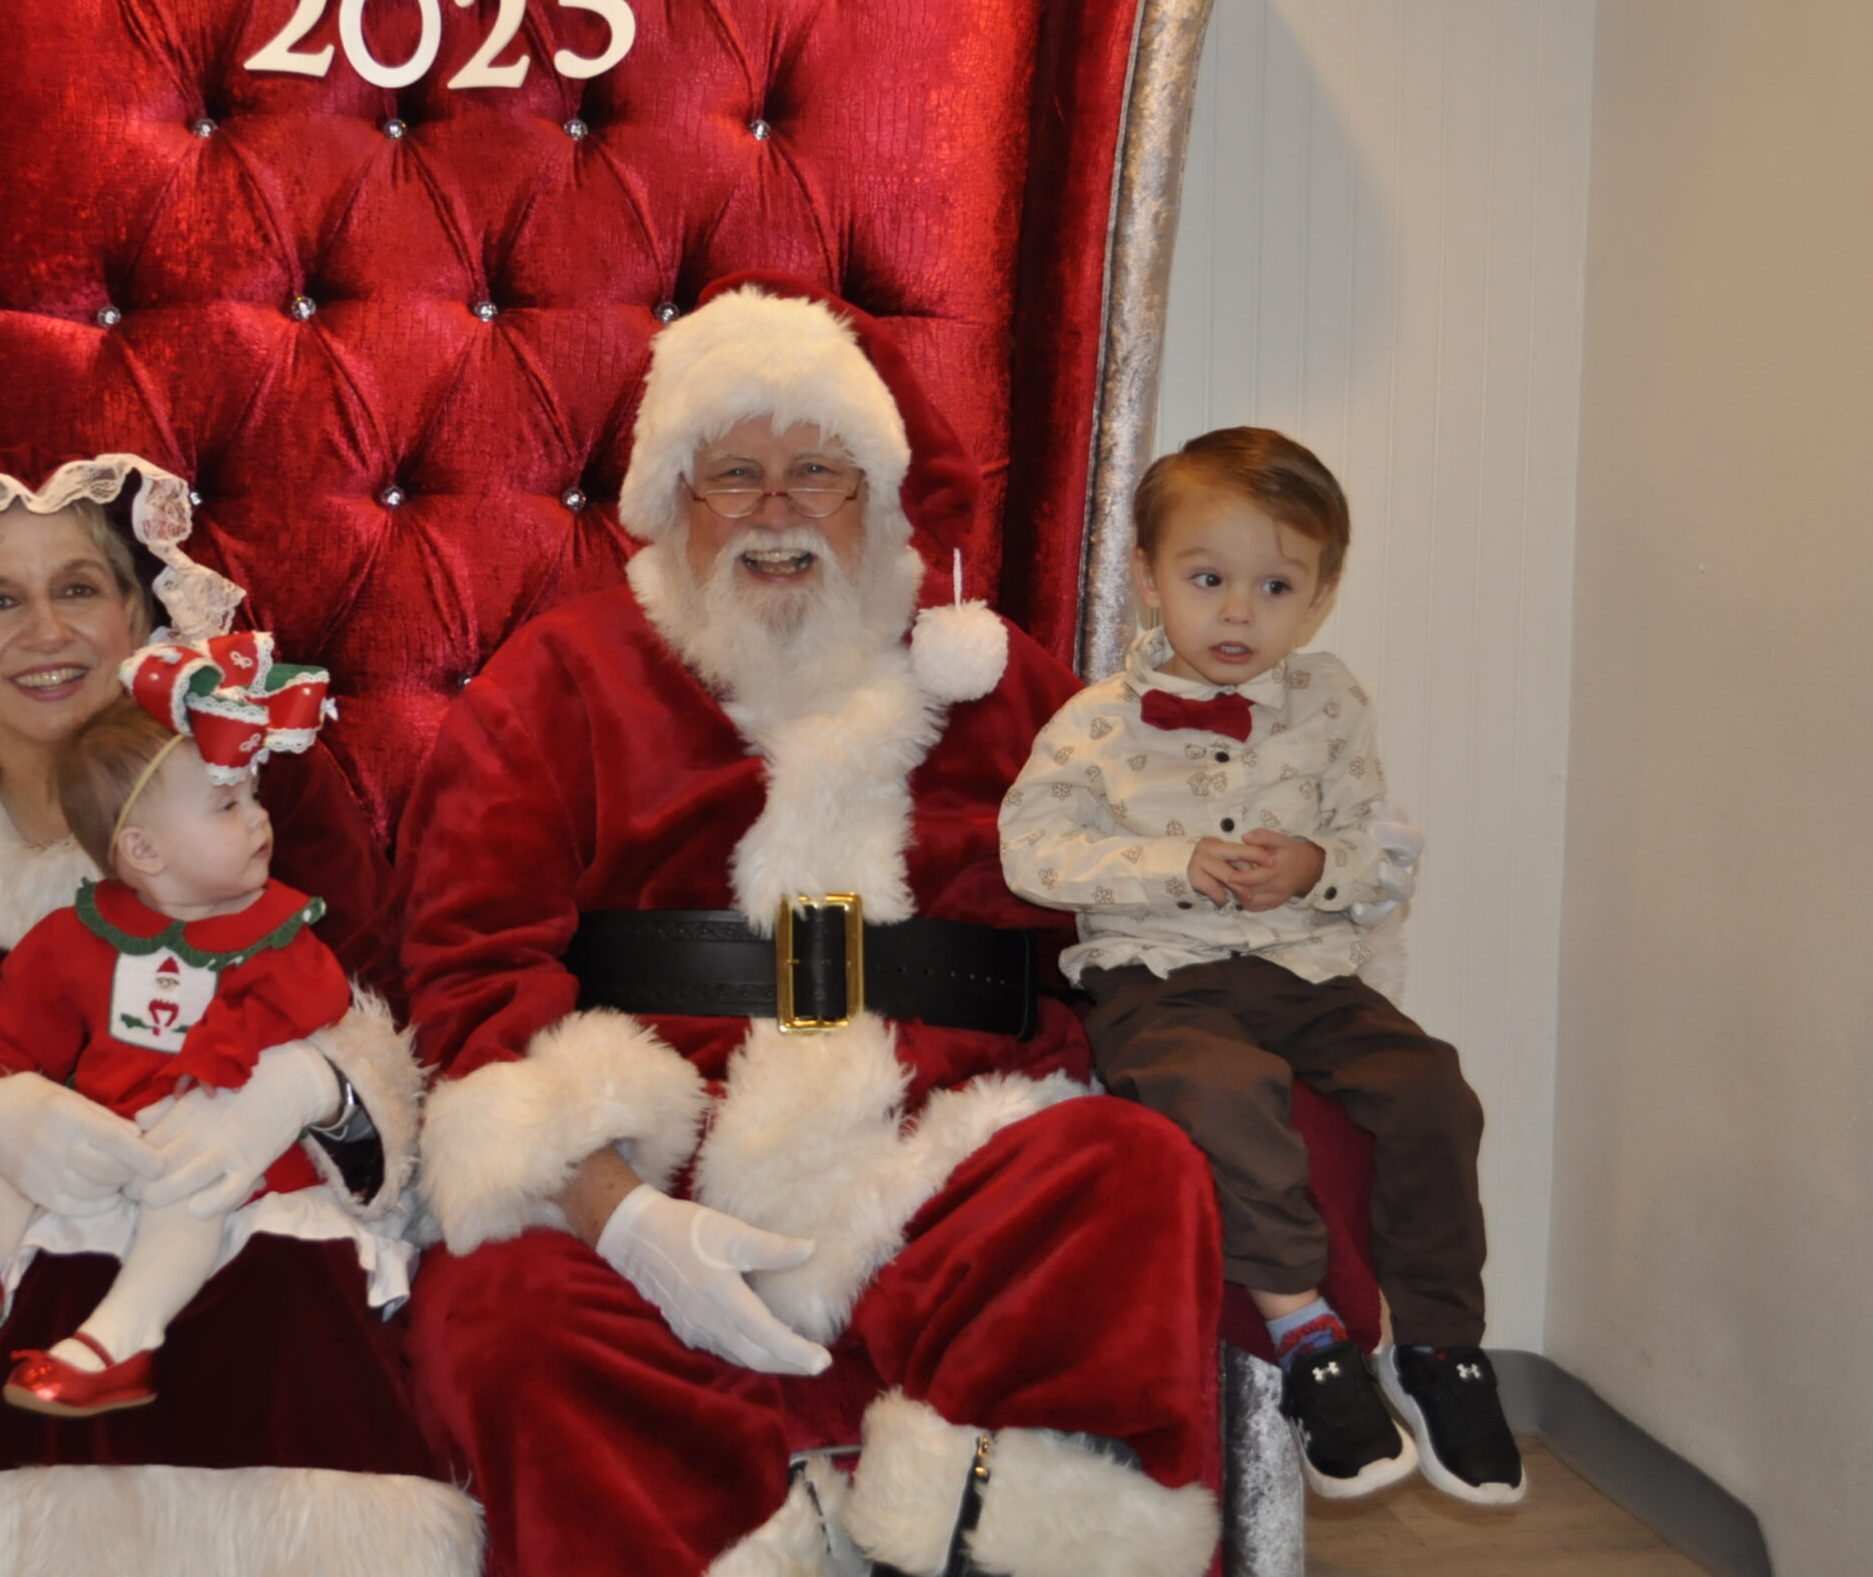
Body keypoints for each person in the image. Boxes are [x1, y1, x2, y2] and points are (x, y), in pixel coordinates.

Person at [393, 279, 1228, 1577]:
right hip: (662, 1166)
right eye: (734, 474)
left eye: (817, 473)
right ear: (673, 497)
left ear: (877, 494)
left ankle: (986, 1538)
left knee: (1129, 1170)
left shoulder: (993, 678)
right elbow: (470, 972)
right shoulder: (558, 676)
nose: (776, 512)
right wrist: (620, 1214)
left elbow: (1135, 894)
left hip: (944, 1152)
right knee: (499, 1311)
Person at [0, 450, 479, 1576]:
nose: (46, 631)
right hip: (31, 1206)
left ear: (140, 613)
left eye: (78, 587)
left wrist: (299, 1091)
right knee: (19, 1302)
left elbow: (377, 1005)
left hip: (250, 1182)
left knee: (275, 1288)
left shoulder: (257, 781)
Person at [995, 426, 1523, 1507]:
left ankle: (1439, 1346)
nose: (1238, 612)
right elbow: (1031, 854)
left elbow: (1377, 849)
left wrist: (1317, 865)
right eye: (1208, 579)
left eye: (1275, 586)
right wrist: (1172, 863)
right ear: (1150, 578)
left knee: (1432, 1087)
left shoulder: (1333, 705)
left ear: (1319, 596)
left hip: (1310, 974)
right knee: (1227, 1095)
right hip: (1158, 979)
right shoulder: (1094, 724)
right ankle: (1306, 1335)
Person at [0, 634, 419, 1418]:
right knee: (18, 1164)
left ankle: (121, 1342)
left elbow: (314, 1012)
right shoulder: (75, 938)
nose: (260, 820)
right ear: (143, 850)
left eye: (253, 797)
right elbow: (11, 1043)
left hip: (233, 1161)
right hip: (114, 1140)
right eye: (228, 805)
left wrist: (212, 1069)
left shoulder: (277, 933)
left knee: (186, 1195)